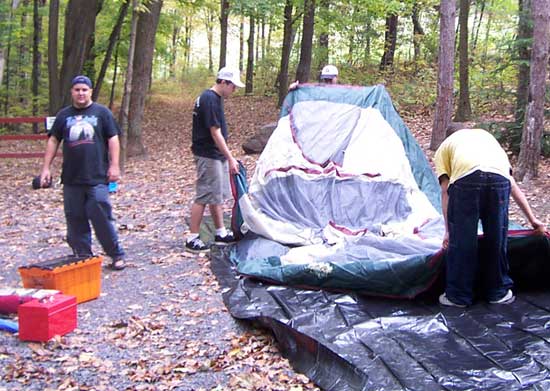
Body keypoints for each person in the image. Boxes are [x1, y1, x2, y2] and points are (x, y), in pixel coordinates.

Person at [434, 128, 546, 307]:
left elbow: (446, 190)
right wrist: (533, 220)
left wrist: (448, 231)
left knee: (463, 241)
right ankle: (498, 292)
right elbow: (511, 183)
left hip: (466, 179)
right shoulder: (488, 140)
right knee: (496, 238)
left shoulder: (444, 148)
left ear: (449, 137)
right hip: (499, 179)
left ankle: (458, 296)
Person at [40, 75, 126, 270]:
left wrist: (114, 165)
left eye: (84, 90)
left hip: (97, 175)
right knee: (75, 218)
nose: (81, 93)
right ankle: (83, 256)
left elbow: (113, 138)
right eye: (77, 89)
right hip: (71, 177)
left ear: (90, 91)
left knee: (100, 213)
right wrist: (46, 168)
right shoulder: (63, 115)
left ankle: (116, 254)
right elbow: (54, 140)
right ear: (72, 92)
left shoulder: (102, 113)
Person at [185, 67, 244, 253]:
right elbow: (215, 132)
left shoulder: (214, 98)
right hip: (208, 154)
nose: (234, 90)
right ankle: (192, 237)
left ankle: (220, 231)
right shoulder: (209, 99)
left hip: (214, 154)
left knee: (216, 194)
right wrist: (230, 157)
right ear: (224, 82)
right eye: (233, 86)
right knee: (204, 195)